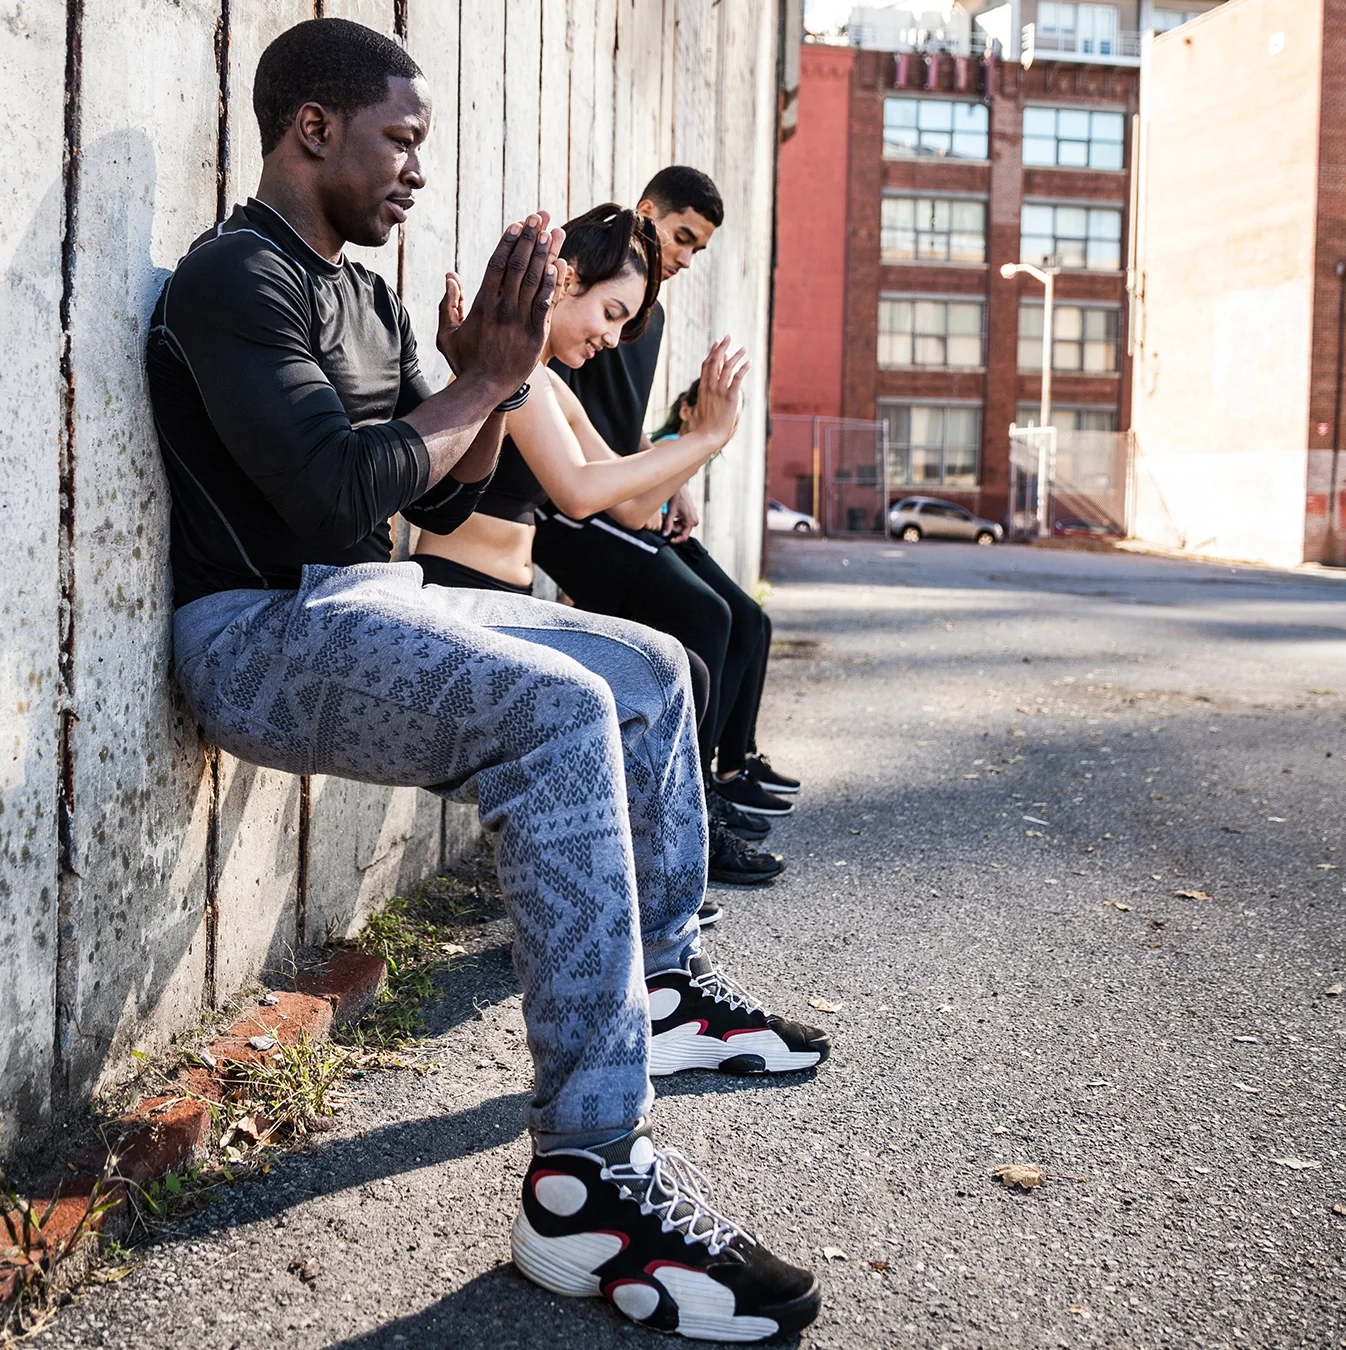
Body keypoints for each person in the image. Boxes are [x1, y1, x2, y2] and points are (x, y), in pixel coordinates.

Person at [145, 20, 823, 1342]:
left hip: (371, 602)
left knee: (651, 664)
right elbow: (336, 491)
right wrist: (486, 384)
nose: (416, 168)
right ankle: (589, 1185)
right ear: (314, 129)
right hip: (255, 632)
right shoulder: (235, 277)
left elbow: (441, 492)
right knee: (559, 711)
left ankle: (658, 985)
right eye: (399, 140)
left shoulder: (370, 296)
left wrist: (477, 390)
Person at [406, 204, 784, 892]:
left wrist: (698, 442)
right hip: (460, 596)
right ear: (567, 280)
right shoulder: (514, 370)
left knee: (680, 673)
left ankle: (651, 871)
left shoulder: (550, 384)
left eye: (625, 324)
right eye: (610, 314)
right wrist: (702, 438)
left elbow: (632, 506)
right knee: (675, 675)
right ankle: (654, 875)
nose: (613, 338)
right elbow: (578, 491)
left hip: (507, 602)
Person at [536, 167, 803, 823]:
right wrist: (696, 443)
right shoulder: (570, 320)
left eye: (698, 249)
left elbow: (612, 434)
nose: (686, 257)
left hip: (610, 486)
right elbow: (575, 475)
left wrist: (675, 477)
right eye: (683, 237)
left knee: (745, 617)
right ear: (646, 213)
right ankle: (692, 809)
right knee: (707, 618)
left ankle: (719, 779)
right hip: (566, 501)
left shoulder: (639, 318)